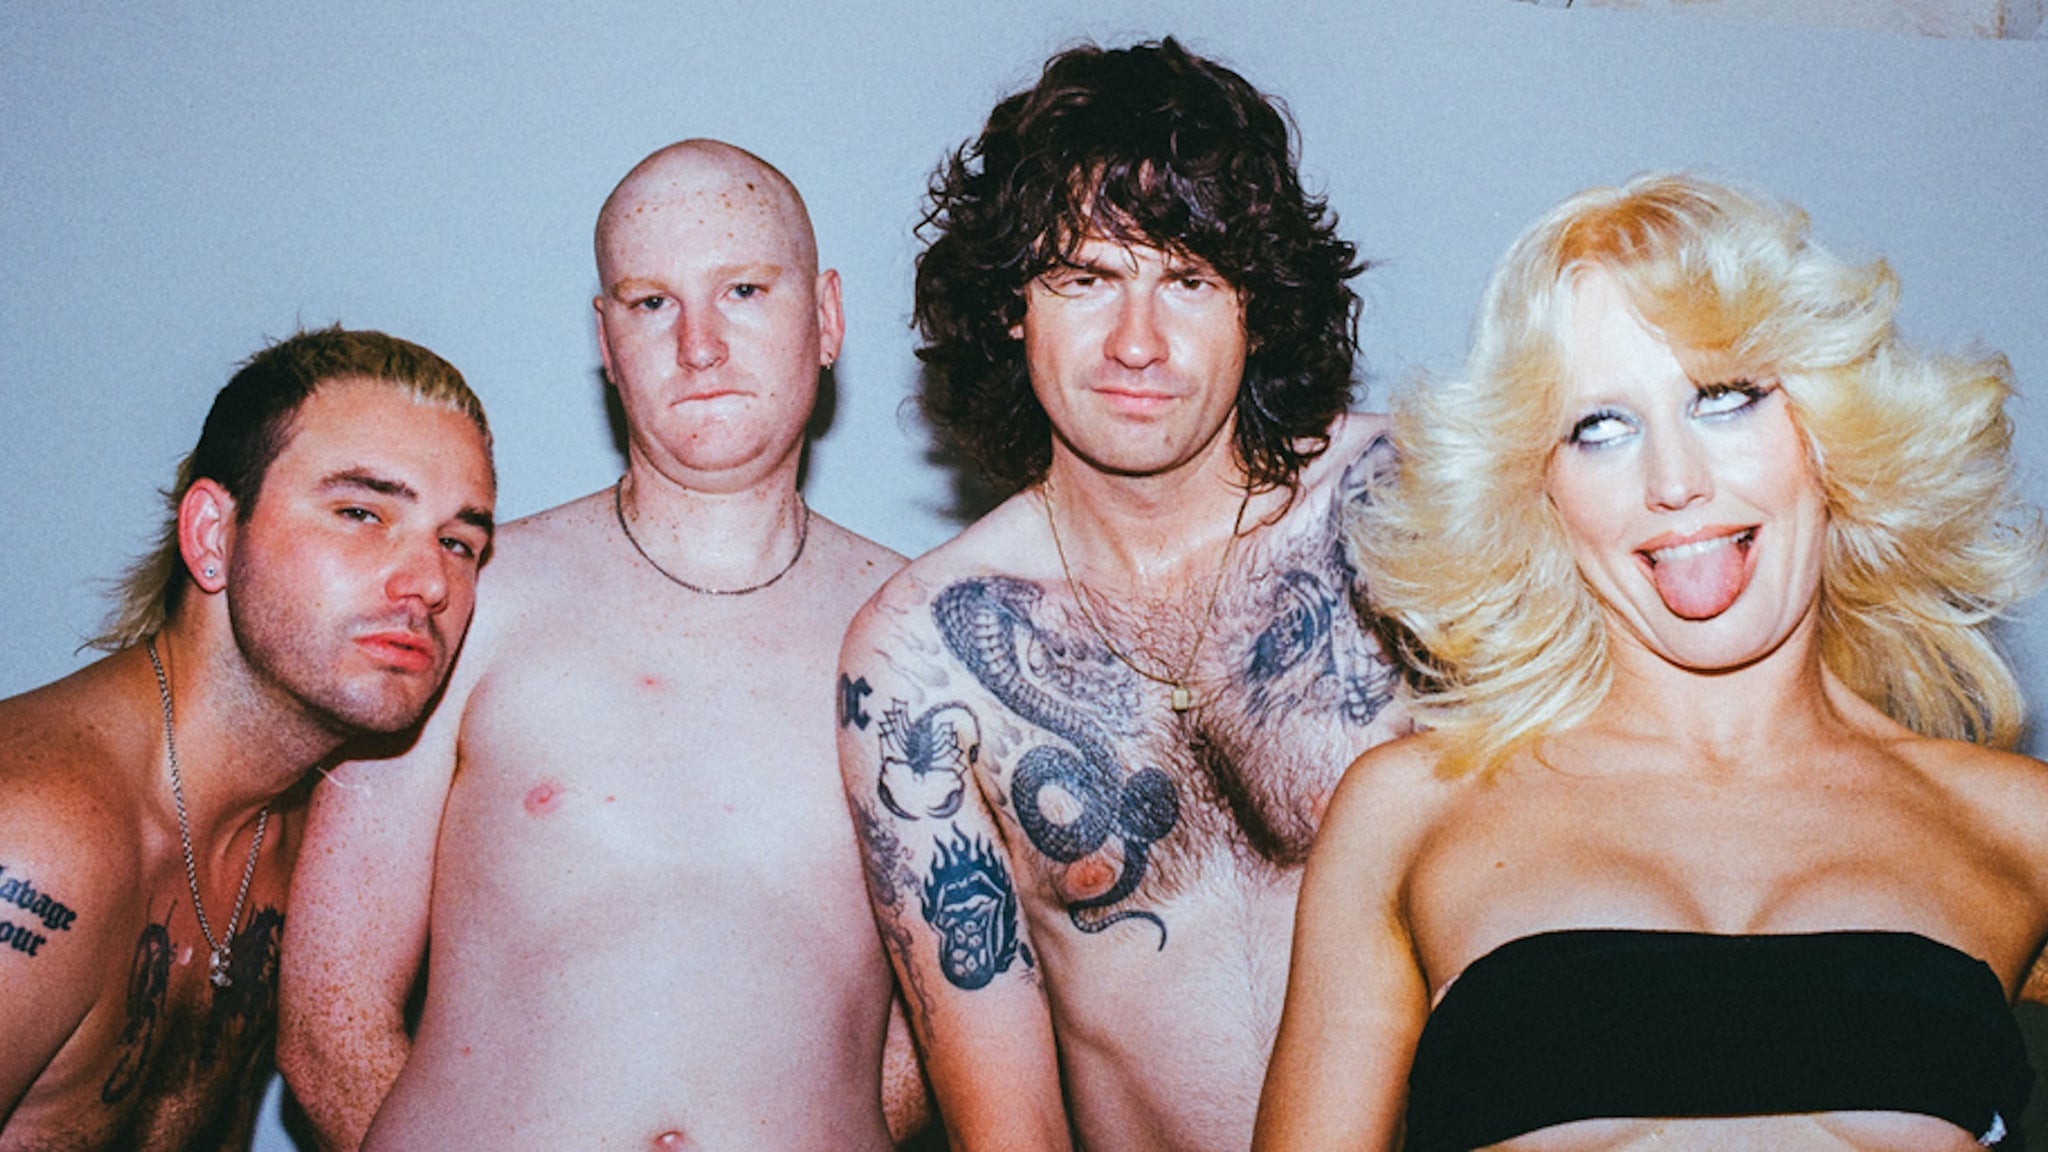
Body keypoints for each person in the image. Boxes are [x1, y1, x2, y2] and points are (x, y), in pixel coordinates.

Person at [1255, 173, 2048, 1151]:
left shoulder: (2017, 822)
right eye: (1599, 427)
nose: (1673, 482)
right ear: (1537, 490)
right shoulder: (1410, 811)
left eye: (1724, 398)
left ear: (1831, 428)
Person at [275, 139, 916, 1152]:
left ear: (827, 317)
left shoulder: (925, 635)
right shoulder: (463, 604)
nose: (699, 344)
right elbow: (328, 1017)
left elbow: (964, 1024)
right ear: (607, 343)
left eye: (744, 290)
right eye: (651, 302)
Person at [838, 39, 1410, 1152]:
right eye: (1085, 278)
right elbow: (1006, 1126)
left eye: (1188, 280)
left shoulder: (1407, 507)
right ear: (1012, 306)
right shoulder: (920, 657)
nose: (1137, 344)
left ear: (1257, 304)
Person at [0, 328, 496, 1151]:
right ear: (212, 536)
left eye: (458, 542)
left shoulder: (300, 839)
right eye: (361, 513)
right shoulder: (36, 836)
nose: (429, 584)